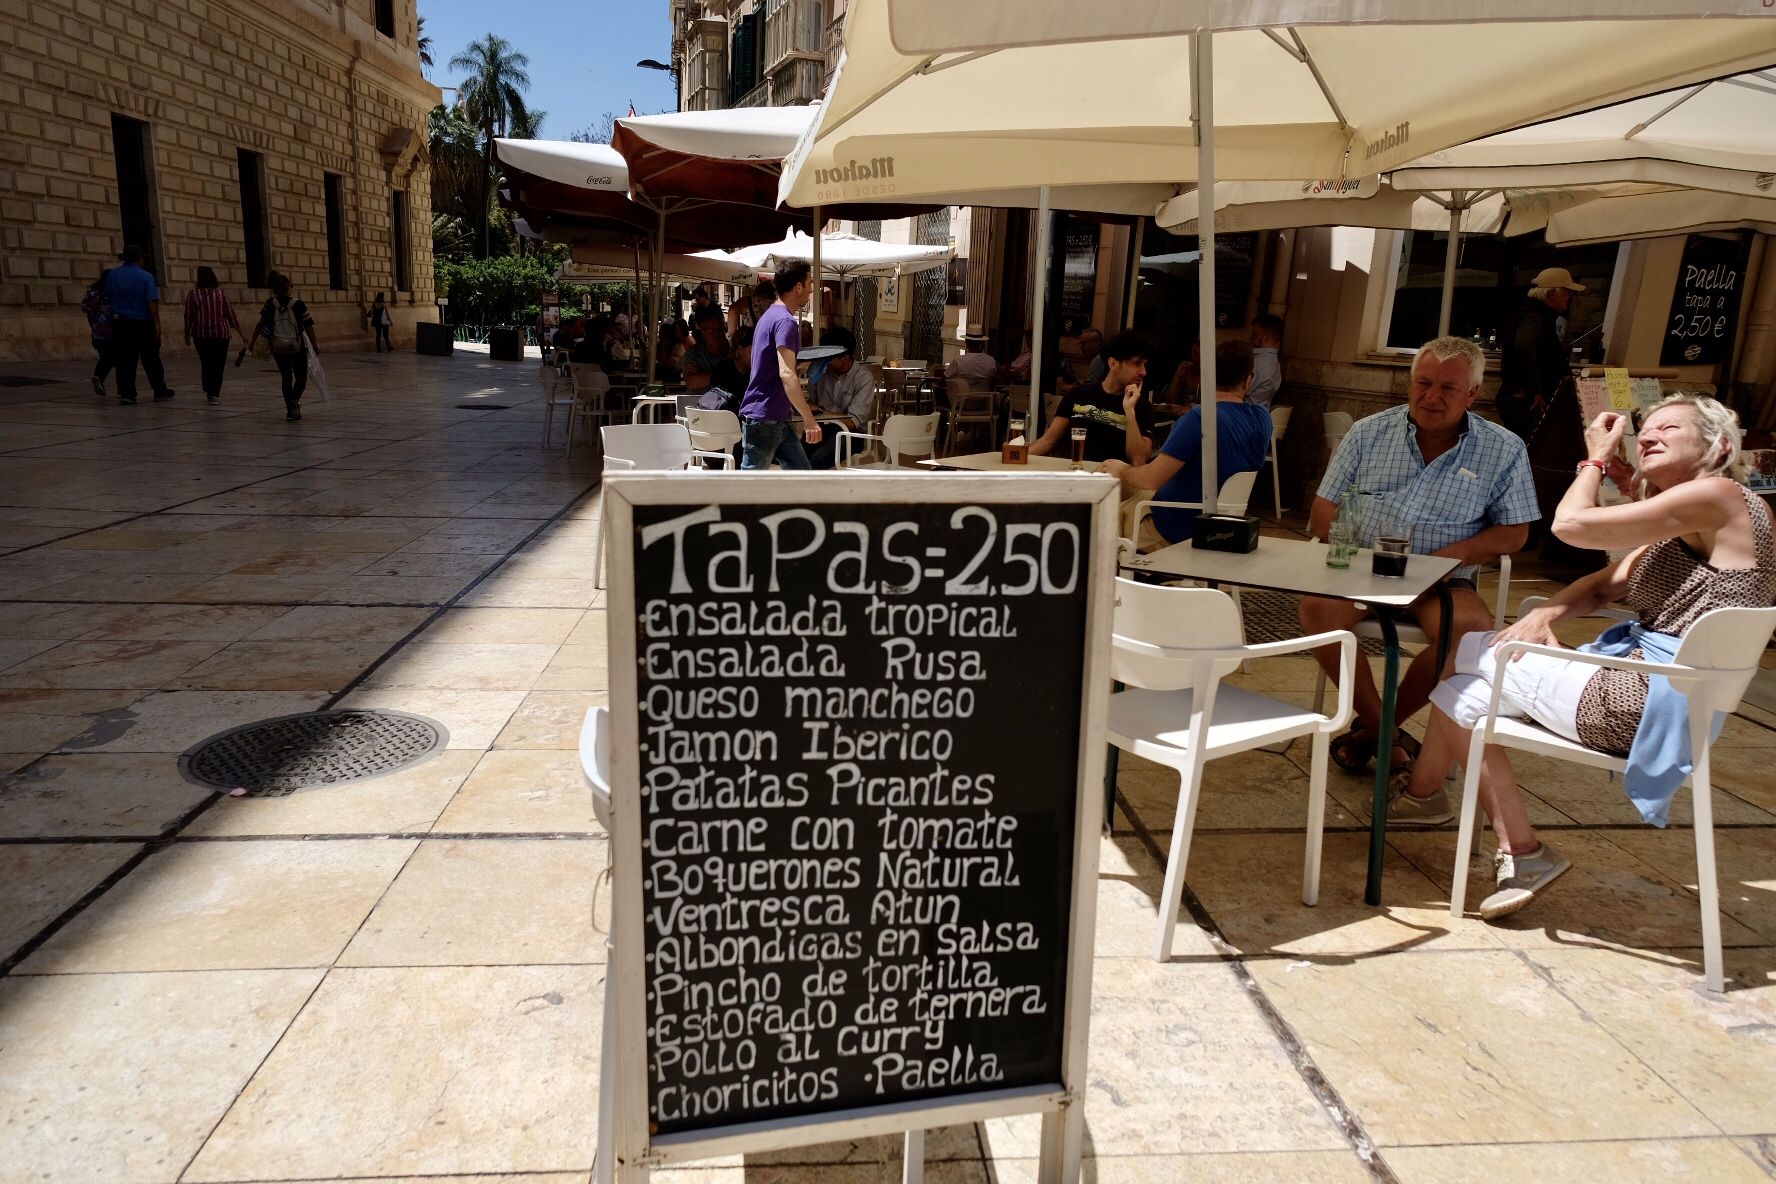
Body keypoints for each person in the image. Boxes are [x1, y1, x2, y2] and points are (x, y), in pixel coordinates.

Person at [1392, 396, 1775, 919]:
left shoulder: (1719, 495)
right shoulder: (1691, 519)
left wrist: (1594, 458)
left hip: (1638, 699)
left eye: (1669, 427)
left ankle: (1423, 792)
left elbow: (1570, 526)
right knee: (1465, 694)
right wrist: (1545, 614)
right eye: (1646, 428)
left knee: (1465, 650)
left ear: (1720, 446)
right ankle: (1499, 840)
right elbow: (1600, 587)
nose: (1647, 435)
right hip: (1658, 696)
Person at [1300, 335, 1540, 775]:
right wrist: (1352, 546)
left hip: (1442, 580)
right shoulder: (1368, 433)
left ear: (1473, 393)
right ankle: (1384, 731)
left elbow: (1515, 532)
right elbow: (1322, 514)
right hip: (1364, 568)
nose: (1431, 397)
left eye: (1448, 388)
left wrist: (1451, 557)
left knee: (1469, 633)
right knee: (1317, 609)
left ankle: (1373, 732)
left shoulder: (1504, 449)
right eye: (1423, 383)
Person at [1102, 340, 1273, 547]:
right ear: (1248, 381)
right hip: (1225, 526)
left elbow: (1151, 479)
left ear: (1208, 377)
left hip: (1172, 527)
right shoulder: (1263, 419)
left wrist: (1121, 470)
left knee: (1097, 514)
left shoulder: (1200, 419)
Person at [739, 260, 822, 470]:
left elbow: (774, 366)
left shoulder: (769, 316)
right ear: (798, 287)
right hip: (765, 417)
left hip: (775, 418)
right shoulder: (785, 321)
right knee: (749, 488)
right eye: (810, 283)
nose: (812, 289)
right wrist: (809, 420)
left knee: (802, 478)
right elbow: (786, 373)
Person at [1030, 331, 1153, 465]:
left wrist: (1129, 411)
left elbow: (1138, 460)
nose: (1143, 372)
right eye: (1136, 364)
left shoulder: (1142, 407)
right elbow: (1048, 441)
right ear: (1113, 364)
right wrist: (1017, 454)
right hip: (1073, 476)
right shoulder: (1078, 394)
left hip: (1111, 481)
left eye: (1144, 365)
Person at [1496, 267, 1582, 441]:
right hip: (1526, 402)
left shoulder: (1536, 313)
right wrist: (1534, 389)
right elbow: (1522, 346)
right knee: (1526, 449)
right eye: (1567, 291)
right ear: (1551, 293)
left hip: (1525, 398)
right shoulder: (1534, 315)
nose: (1570, 296)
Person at [104, 245, 174, 404]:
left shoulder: (113, 275)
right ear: (139, 259)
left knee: (125, 359)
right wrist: (157, 323)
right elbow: (152, 302)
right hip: (143, 323)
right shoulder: (146, 277)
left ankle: (127, 393)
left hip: (120, 323)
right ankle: (159, 390)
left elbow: (107, 296)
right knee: (151, 359)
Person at [807, 326, 878, 470]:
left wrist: (821, 411)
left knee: (817, 460)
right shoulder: (821, 372)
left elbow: (852, 422)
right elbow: (810, 403)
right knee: (796, 454)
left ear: (845, 358)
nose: (825, 361)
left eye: (829, 358)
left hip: (851, 434)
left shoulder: (864, 378)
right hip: (821, 428)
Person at [250, 271, 317, 421]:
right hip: (297, 347)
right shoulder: (298, 304)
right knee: (301, 378)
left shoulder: (270, 304)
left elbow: (261, 324)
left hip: (278, 347)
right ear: (288, 287)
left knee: (286, 377)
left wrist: (253, 341)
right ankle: (293, 404)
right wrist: (314, 344)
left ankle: (291, 407)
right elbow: (309, 325)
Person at [182, 266, 244, 404]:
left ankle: (209, 389)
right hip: (220, 336)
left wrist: (187, 334)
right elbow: (231, 316)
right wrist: (242, 335)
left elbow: (188, 316)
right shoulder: (220, 294)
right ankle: (214, 393)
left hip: (201, 335)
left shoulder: (193, 294)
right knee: (218, 364)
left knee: (206, 363)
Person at [80, 269, 115, 398]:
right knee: (113, 358)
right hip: (111, 331)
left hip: (96, 332)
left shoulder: (92, 291)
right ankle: (99, 376)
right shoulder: (111, 292)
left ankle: (99, 379)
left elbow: (84, 307)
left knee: (105, 357)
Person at [1247, 313, 1284, 410]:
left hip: (1245, 415)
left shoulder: (1257, 362)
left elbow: (1237, 390)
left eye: (1254, 336)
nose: (1250, 339)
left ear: (1266, 339)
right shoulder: (1275, 363)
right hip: (1262, 415)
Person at [1055, 327, 1105, 396]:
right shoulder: (1100, 357)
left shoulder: (1098, 360)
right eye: (1080, 344)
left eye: (1084, 343)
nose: (1081, 347)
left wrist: (1066, 387)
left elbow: (1089, 389)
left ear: (1096, 343)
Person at [684, 306, 729, 375]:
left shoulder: (731, 352)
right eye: (712, 330)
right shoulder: (693, 353)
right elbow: (692, 383)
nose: (716, 333)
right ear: (703, 332)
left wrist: (702, 372)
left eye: (719, 329)